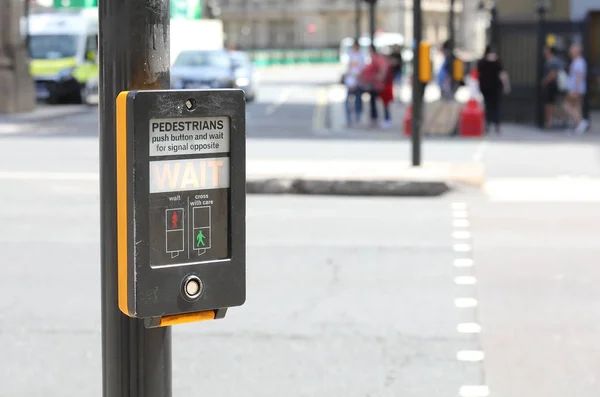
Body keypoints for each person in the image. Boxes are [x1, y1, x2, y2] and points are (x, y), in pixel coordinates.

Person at [477, 45, 510, 134]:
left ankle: (488, 124)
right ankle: (497, 125)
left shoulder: (482, 62)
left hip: (485, 87)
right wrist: (506, 86)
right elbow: (503, 75)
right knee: (496, 106)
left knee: (488, 105)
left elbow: (478, 75)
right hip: (496, 87)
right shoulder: (498, 61)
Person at [359, 45, 390, 128]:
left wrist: (379, 77)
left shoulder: (377, 58)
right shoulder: (372, 59)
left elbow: (383, 68)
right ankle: (375, 119)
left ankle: (385, 119)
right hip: (374, 84)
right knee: (373, 102)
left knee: (383, 102)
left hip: (379, 85)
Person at [563, 43, 589, 134]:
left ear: (577, 52)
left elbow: (579, 76)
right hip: (576, 88)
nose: (571, 53)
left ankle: (580, 122)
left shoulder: (579, 62)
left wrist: (576, 90)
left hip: (576, 89)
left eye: (572, 51)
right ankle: (578, 124)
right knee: (577, 106)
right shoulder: (576, 61)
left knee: (566, 105)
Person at [541, 46, 566, 129]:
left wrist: (545, 81)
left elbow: (553, 74)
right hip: (552, 85)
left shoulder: (553, 61)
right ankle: (554, 120)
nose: (544, 52)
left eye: (545, 50)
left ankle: (549, 122)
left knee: (550, 104)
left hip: (553, 85)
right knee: (551, 104)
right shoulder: (550, 60)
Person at [343, 39, 365, 127]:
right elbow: (348, 69)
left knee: (358, 101)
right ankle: (348, 119)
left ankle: (357, 118)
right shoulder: (350, 56)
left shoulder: (361, 57)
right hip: (350, 81)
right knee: (348, 102)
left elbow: (361, 70)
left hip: (358, 82)